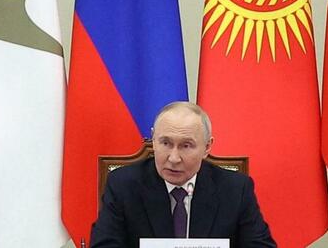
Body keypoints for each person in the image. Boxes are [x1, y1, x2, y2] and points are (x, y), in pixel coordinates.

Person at [89, 101, 276, 247]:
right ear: (153, 139)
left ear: (207, 147)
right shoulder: (123, 185)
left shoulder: (235, 189)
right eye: (165, 143)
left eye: (186, 146)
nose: (174, 158)